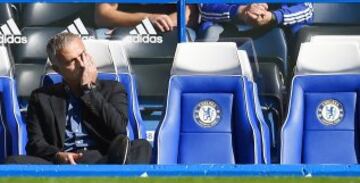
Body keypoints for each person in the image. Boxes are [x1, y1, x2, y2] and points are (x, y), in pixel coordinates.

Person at [6, 33, 152, 164]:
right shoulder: (41, 97)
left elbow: (119, 130)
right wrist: (57, 155)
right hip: (60, 162)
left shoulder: (113, 89)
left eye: (82, 55)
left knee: (141, 146)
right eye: (72, 61)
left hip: (102, 159)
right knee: (13, 162)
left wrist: (89, 90)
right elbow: (35, 144)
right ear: (58, 70)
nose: (81, 64)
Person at [197, 3, 314, 41]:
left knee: (302, 33)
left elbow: (306, 9)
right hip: (228, 27)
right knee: (210, 30)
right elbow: (205, 7)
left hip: (277, 28)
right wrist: (240, 11)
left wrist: (273, 16)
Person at [94, 3, 197, 39]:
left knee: (188, 37)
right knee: (101, 35)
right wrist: (145, 20)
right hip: (123, 29)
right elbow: (102, 15)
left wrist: (150, 26)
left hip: (167, 30)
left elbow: (188, 14)